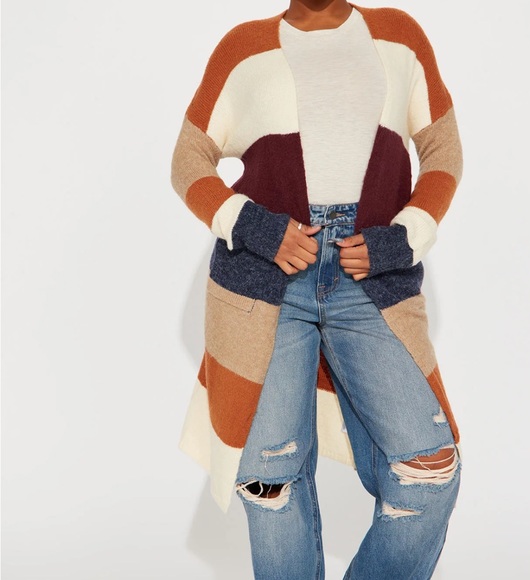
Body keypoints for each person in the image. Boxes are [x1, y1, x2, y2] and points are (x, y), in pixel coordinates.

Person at [170, 0, 464, 577]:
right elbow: (188, 159)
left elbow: (443, 150)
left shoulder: (399, 34)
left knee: (430, 470)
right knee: (270, 482)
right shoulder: (242, 46)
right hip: (263, 284)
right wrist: (254, 227)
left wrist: (403, 237)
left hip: (371, 280)